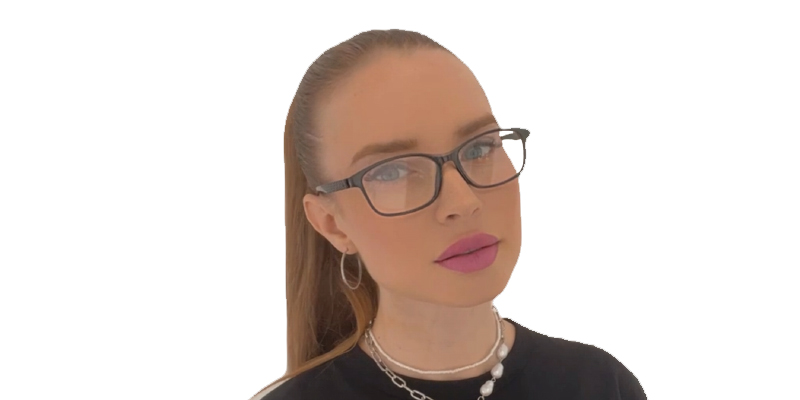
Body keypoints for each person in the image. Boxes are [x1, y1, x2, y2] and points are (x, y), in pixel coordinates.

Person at [250, 29, 647, 400]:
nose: (462, 202)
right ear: (331, 224)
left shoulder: (600, 385)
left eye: (479, 148)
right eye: (393, 171)